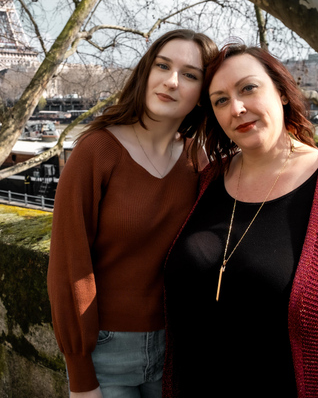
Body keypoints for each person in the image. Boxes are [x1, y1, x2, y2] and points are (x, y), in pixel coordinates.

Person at [163, 41, 318, 398]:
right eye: (220, 100)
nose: (236, 108)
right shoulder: (206, 181)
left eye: (248, 88)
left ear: (281, 92)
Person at [47, 29, 218, 398]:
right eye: (163, 65)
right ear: (146, 71)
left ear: (203, 94)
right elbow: (68, 265)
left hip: (176, 349)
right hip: (106, 353)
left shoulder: (199, 160)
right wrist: (80, 376)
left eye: (190, 75)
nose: (171, 81)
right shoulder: (96, 151)